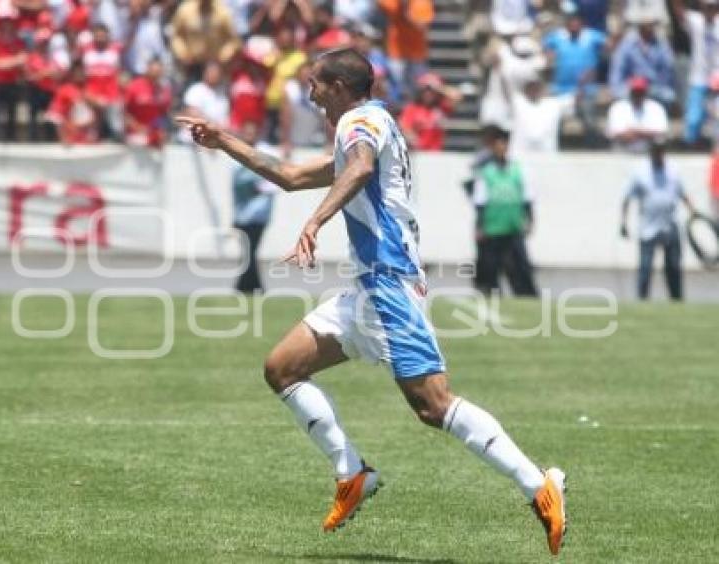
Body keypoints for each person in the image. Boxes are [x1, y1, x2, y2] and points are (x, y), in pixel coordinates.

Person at [176, 48, 567, 556]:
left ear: (339, 86)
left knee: (433, 405)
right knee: (282, 368)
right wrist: (223, 139)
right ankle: (352, 472)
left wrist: (314, 223)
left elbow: (358, 168)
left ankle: (539, 486)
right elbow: (290, 175)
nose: (309, 92)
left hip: (388, 284)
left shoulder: (358, 123)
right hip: (366, 287)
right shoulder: (374, 121)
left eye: (315, 83)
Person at [620, 142, 696, 300]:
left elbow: (682, 193)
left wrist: (693, 213)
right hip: (648, 227)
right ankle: (642, 300)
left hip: (670, 224)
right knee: (646, 267)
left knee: (673, 267)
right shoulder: (640, 173)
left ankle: (676, 300)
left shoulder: (673, 171)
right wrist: (623, 223)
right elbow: (627, 198)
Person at [473, 126, 539, 297]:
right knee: (490, 264)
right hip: (493, 226)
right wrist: (479, 226)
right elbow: (480, 201)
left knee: (520, 264)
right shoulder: (486, 172)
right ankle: (490, 292)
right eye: (498, 144)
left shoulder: (518, 169)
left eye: (504, 144)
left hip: (513, 224)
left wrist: (530, 219)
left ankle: (526, 294)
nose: (502, 147)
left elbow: (527, 197)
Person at [543, 6, 608, 142]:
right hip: (561, 89)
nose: (574, 24)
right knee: (551, 116)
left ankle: (591, 146)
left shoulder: (591, 36)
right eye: (571, 21)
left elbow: (608, 45)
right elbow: (546, 47)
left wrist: (594, 68)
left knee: (589, 115)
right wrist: (550, 56)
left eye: (576, 21)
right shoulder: (558, 36)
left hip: (585, 90)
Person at [231, 121, 277, 294]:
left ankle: (246, 286)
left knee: (251, 250)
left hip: (259, 214)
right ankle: (251, 286)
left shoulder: (265, 153)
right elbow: (238, 185)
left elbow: (272, 183)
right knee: (248, 251)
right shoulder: (237, 156)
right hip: (243, 214)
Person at [670, 0, 719, 145]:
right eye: (706, 7)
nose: (709, 10)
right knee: (693, 118)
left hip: (717, 78)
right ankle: (690, 144)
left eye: (713, 7)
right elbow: (679, 12)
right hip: (699, 78)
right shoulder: (695, 20)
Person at [608, 12, 676, 106]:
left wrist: (662, 86)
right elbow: (618, 69)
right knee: (621, 95)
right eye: (647, 25)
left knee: (668, 96)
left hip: (654, 88)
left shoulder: (661, 44)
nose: (650, 28)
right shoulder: (628, 44)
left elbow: (667, 68)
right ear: (640, 27)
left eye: (652, 25)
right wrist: (616, 90)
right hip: (632, 88)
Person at [378, 0, 434, 101]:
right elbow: (381, 6)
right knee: (396, 84)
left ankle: (413, 110)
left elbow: (424, 25)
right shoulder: (395, 2)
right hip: (396, 51)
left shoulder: (422, 2)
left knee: (418, 86)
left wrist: (407, 14)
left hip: (417, 52)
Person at [0, 15, 26, 142]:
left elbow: (22, 59)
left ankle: (11, 139)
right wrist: (8, 63)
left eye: (9, 24)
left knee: (11, 113)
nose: (7, 27)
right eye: (4, 24)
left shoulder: (18, 42)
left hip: (12, 82)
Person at [398, 71, 462, 152]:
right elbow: (405, 127)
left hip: (436, 154)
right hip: (418, 154)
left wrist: (438, 87)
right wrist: (414, 140)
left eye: (432, 91)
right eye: (425, 90)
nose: (428, 93)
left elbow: (457, 96)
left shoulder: (442, 107)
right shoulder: (412, 108)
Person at [509, 76, 574, 154]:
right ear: (526, 90)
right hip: (521, 155)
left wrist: (582, 84)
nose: (534, 91)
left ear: (542, 89)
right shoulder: (518, 102)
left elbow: (575, 99)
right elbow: (505, 91)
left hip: (546, 156)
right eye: (531, 88)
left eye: (537, 88)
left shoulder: (553, 104)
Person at [607, 75, 669, 152]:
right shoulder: (618, 107)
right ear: (630, 92)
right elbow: (614, 133)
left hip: (649, 152)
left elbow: (662, 132)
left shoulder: (656, 107)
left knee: (659, 142)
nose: (638, 95)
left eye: (640, 92)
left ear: (646, 93)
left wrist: (636, 132)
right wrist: (643, 133)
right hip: (623, 151)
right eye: (635, 92)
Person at [123, 56, 172, 147]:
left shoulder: (163, 90)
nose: (156, 74)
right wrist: (137, 127)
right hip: (135, 134)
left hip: (154, 135)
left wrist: (161, 130)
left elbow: (164, 115)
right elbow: (124, 112)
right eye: (154, 71)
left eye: (159, 72)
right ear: (147, 69)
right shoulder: (134, 86)